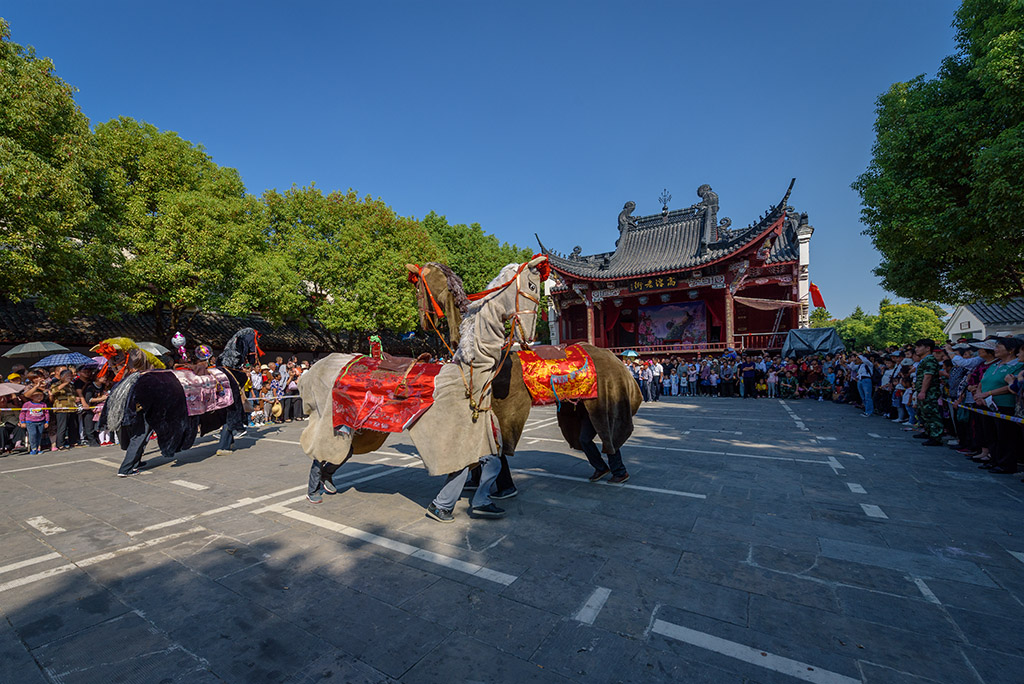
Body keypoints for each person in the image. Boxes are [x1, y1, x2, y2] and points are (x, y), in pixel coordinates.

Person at [912, 339, 944, 446]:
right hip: (923, 390)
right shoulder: (924, 360)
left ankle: (936, 436)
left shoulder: (930, 360)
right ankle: (928, 431)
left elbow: (928, 376)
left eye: (919, 347)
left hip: (929, 391)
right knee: (924, 413)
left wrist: (923, 391)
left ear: (927, 348)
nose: (916, 349)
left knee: (931, 413)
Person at [49, 369, 79, 450]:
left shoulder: (71, 385)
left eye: (70, 375)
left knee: (73, 426)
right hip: (61, 408)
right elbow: (53, 391)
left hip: (72, 407)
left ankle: (72, 441)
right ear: (62, 377)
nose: (69, 377)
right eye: (67, 376)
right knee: (62, 427)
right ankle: (60, 444)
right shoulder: (56, 383)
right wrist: (65, 383)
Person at [18, 389, 49, 455]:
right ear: (31, 396)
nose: (39, 397)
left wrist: (47, 422)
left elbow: (46, 413)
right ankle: (33, 448)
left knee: (39, 435)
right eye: (37, 396)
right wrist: (22, 421)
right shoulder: (27, 404)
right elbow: (22, 413)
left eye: (41, 395)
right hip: (30, 422)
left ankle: (37, 448)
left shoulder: (43, 404)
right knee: (33, 434)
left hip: (41, 422)